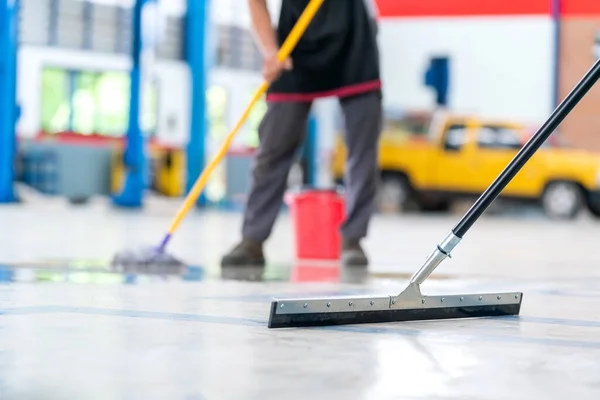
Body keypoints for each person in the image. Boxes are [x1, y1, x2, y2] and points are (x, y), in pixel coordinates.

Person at [221, 0, 383, 268]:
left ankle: (353, 239)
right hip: (294, 46)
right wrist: (270, 51)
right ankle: (252, 240)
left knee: (363, 149)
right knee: (273, 146)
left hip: (355, 44)